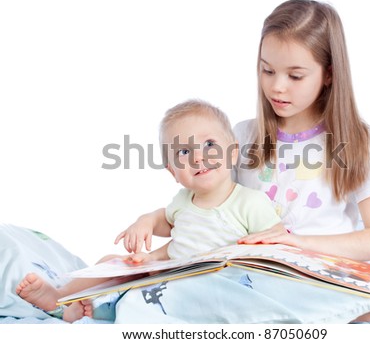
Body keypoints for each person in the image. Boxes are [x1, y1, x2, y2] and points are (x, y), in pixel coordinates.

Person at [115, 0, 370, 322]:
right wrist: (151, 225)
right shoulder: (242, 136)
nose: (277, 87)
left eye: (295, 76)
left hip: (318, 273)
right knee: (150, 293)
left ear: (329, 74)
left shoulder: (359, 141)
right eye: (267, 70)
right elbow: (205, 212)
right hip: (248, 277)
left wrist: (296, 243)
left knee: (315, 294)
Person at [15, 100, 282, 322]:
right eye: (184, 151)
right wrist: (146, 224)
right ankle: (61, 298)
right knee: (113, 262)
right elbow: (166, 221)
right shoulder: (184, 200)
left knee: (141, 300)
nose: (199, 157)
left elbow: (276, 243)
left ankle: (98, 309)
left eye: (209, 144)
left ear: (233, 152)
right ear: (173, 171)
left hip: (213, 282)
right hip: (169, 272)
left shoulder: (249, 202)